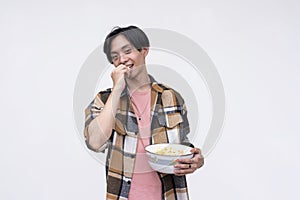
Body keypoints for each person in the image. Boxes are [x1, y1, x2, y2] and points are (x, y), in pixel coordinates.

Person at [84, 25, 204, 200]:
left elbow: (181, 145)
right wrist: (117, 89)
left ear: (144, 51)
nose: (122, 59)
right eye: (115, 57)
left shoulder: (170, 97)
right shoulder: (104, 100)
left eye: (127, 51)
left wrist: (195, 159)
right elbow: (94, 142)